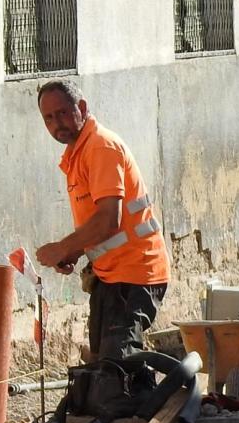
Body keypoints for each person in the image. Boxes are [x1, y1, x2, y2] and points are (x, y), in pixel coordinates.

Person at [33, 79, 170, 363]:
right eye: (48, 118)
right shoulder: (77, 153)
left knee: (116, 370)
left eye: (62, 113)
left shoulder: (100, 147)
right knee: (101, 366)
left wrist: (62, 247)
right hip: (111, 276)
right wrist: (74, 251)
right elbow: (103, 227)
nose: (56, 124)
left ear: (81, 108)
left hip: (136, 274)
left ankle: (162, 402)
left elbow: (109, 220)